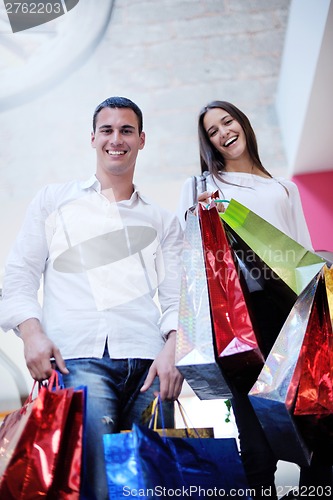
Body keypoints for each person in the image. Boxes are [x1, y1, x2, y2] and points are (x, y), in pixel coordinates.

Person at [0, 96, 184, 500]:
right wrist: (32, 334)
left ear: (141, 140)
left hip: (150, 366)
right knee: (94, 487)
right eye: (107, 130)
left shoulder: (162, 220)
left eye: (126, 130)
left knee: (151, 488)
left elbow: (176, 299)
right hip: (80, 360)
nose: (116, 139)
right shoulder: (54, 201)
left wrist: (173, 350)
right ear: (93, 138)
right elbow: (18, 276)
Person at [177, 100, 332, 499]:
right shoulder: (202, 187)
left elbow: (304, 254)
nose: (223, 132)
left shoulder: (283, 187)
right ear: (207, 143)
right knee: (256, 442)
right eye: (212, 131)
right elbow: (188, 255)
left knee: (313, 429)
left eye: (227, 122)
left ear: (242, 123)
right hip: (238, 320)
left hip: (293, 315)